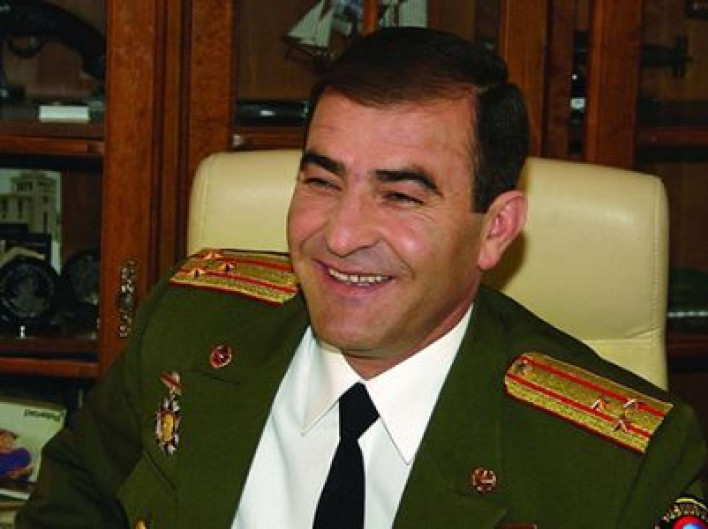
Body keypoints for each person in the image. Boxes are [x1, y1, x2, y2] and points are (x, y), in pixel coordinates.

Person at [17, 27, 707, 529]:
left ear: (496, 228)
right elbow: (75, 494)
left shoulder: (620, 463)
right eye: (322, 181)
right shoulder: (191, 325)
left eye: (400, 196)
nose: (341, 236)